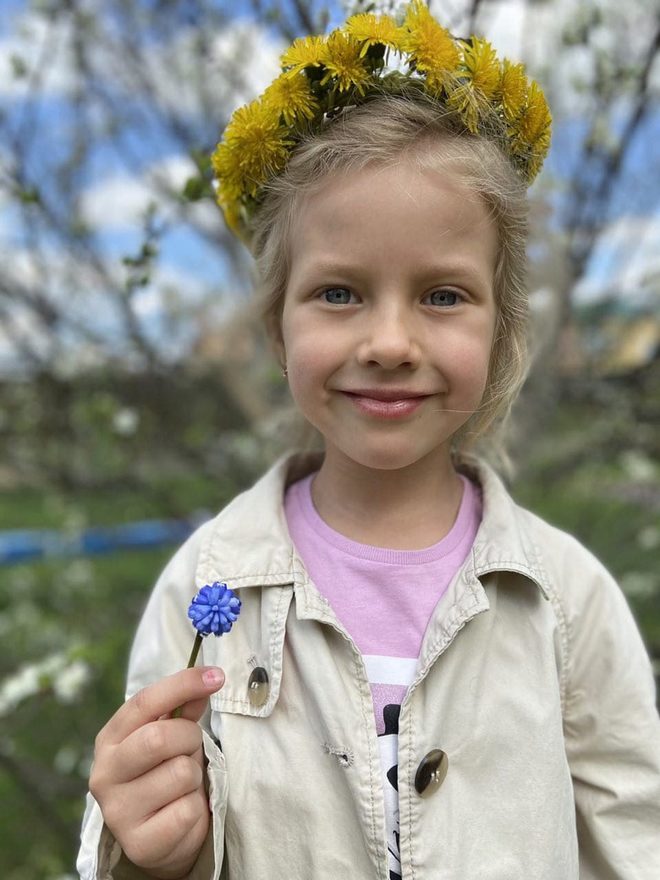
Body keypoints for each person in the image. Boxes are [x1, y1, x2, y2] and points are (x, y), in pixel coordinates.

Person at [77, 3, 660, 879]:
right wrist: (146, 854)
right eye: (340, 293)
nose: (390, 342)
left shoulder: (567, 603)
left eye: (443, 295)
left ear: (501, 333)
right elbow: (138, 832)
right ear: (276, 327)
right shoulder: (208, 590)